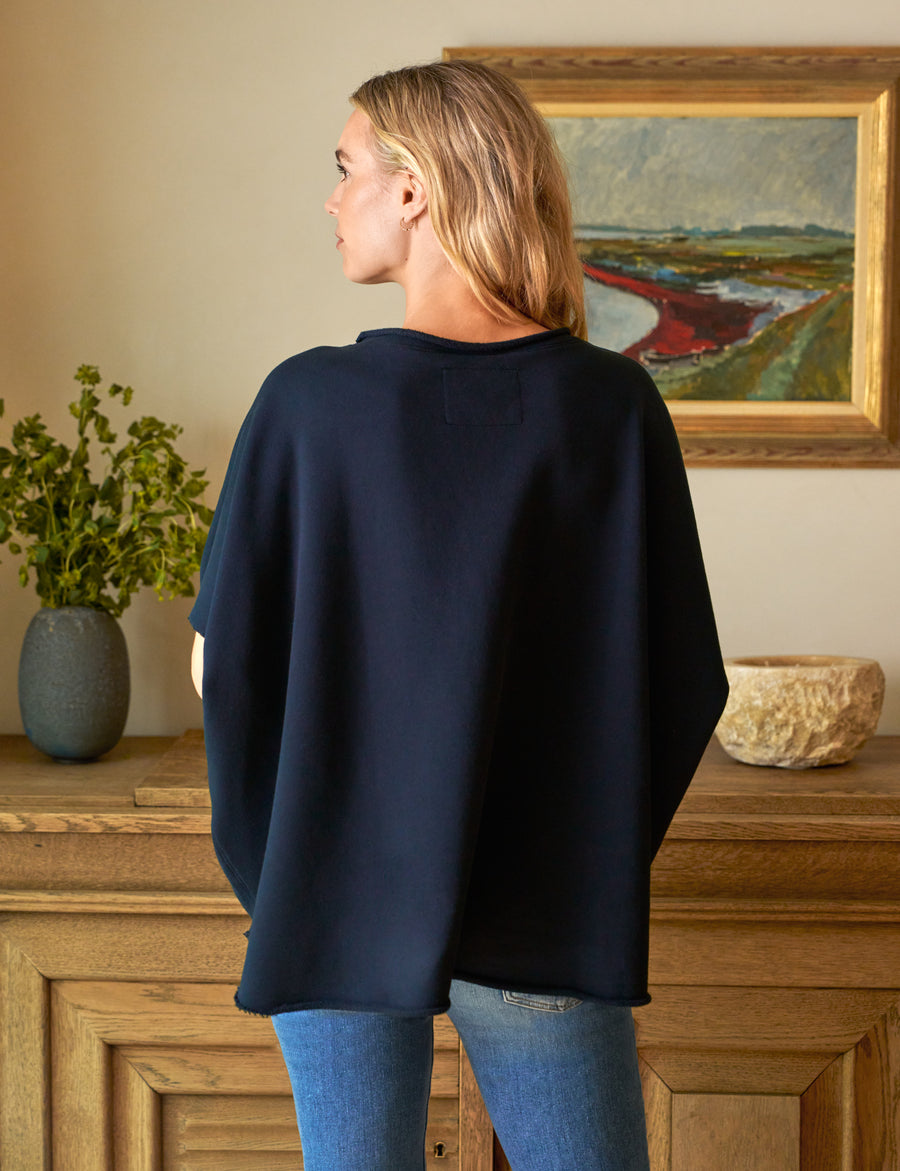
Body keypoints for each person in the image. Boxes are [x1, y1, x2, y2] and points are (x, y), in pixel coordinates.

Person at [189, 59, 728, 1171]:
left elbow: (223, 670)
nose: (332, 199)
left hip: (334, 895)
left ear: (414, 188)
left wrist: (286, 871)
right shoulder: (611, 407)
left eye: (346, 169)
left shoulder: (307, 405)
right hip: (546, 902)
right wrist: (580, 855)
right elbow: (684, 685)